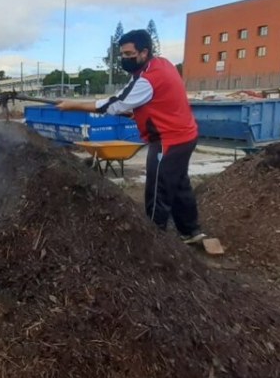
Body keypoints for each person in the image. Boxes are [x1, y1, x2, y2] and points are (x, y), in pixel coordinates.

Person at [56, 29, 206, 244]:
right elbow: (155, 101)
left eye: (128, 54)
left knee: (158, 191)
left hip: (168, 141)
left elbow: (112, 104)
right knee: (179, 184)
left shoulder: (147, 79)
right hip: (185, 135)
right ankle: (192, 231)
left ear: (144, 52)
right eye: (122, 55)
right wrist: (134, 110)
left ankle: (154, 242)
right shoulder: (162, 64)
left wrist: (73, 105)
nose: (124, 59)